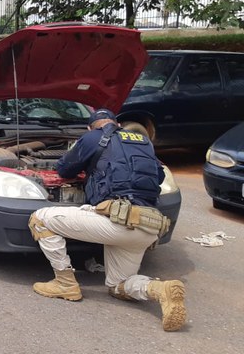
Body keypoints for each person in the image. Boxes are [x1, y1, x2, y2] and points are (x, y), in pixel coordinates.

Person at [28, 108, 187, 332]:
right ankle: (160, 289)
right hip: (149, 227)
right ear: (117, 124)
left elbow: (64, 169)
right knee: (118, 285)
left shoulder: (93, 137)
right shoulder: (142, 141)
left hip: (116, 222)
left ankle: (65, 283)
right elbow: (158, 176)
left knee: (40, 219)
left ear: (90, 128)